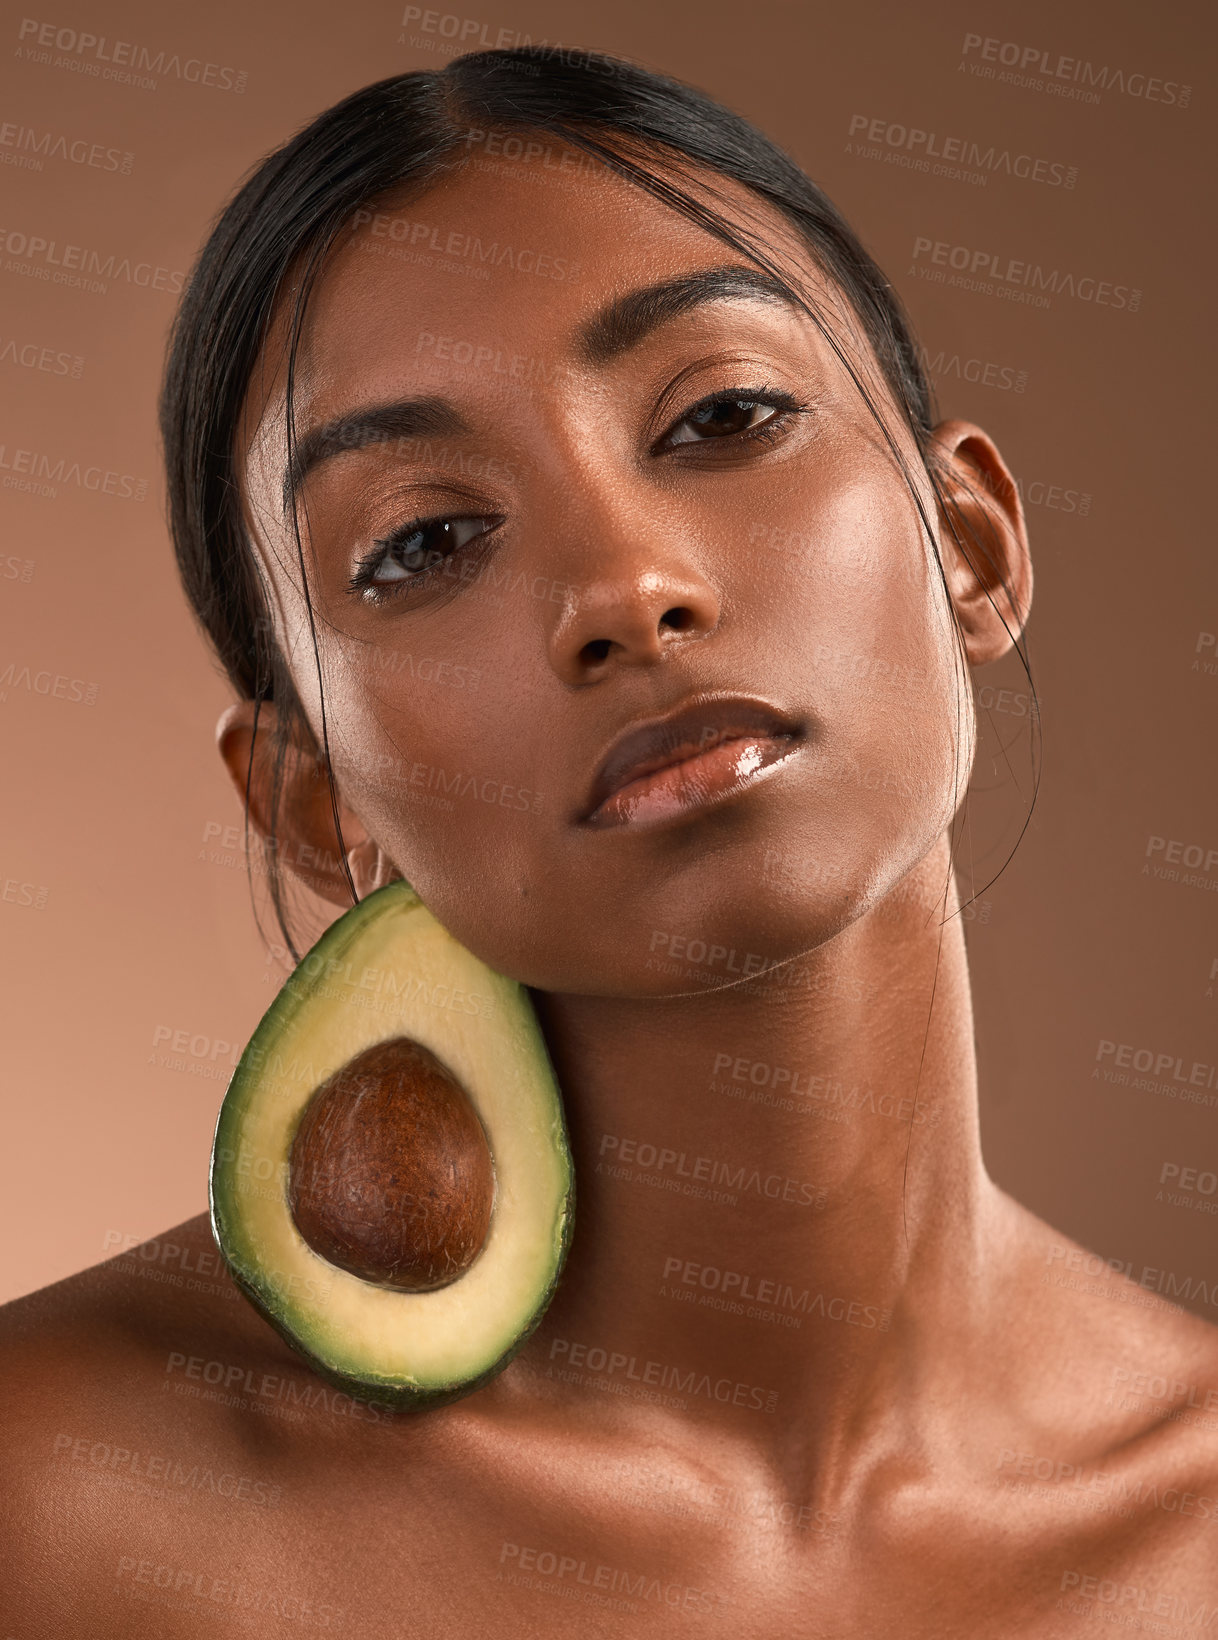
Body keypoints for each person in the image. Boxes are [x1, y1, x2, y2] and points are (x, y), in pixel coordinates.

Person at [3, 47, 1215, 1635]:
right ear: (317, 805)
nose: (626, 586)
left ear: (969, 546)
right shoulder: (56, 1509)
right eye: (425, 541)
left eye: (724, 414)